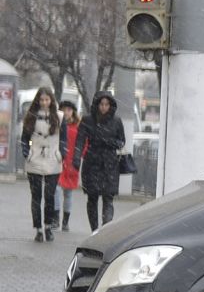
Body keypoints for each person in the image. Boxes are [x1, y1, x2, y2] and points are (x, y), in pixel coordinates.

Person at [18, 88, 64, 243]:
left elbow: (63, 139)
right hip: (35, 158)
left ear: (51, 100)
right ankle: (38, 229)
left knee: (50, 196)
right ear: (38, 100)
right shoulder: (31, 116)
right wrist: (27, 152)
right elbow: (24, 139)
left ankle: (48, 227)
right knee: (36, 197)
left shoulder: (59, 116)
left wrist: (61, 153)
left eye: (47, 100)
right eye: (42, 100)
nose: (44, 102)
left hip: (53, 158)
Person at [76, 92, 126, 232]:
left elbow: (121, 141)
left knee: (108, 198)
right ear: (97, 105)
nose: (104, 107)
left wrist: (109, 142)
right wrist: (76, 157)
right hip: (92, 162)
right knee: (92, 198)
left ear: (110, 106)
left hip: (109, 164)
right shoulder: (87, 120)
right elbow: (80, 140)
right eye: (101, 104)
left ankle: (105, 230)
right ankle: (94, 230)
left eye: (106, 104)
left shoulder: (116, 121)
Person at [56, 100, 82, 232]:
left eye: (69, 110)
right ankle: (55, 219)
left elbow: (83, 144)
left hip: (72, 164)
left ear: (73, 111)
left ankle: (65, 221)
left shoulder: (78, 127)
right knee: (56, 190)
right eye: (63, 109)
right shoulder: (57, 124)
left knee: (68, 194)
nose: (66, 112)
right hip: (58, 161)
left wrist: (78, 158)